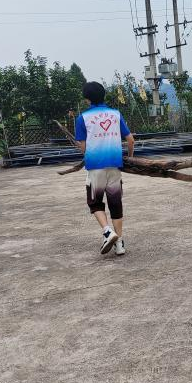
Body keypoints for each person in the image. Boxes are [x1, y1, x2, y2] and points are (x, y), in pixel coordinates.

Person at [75, 81, 135, 255]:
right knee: (115, 204)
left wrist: (88, 153)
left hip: (95, 167)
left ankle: (108, 232)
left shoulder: (82, 118)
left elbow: (83, 146)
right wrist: (130, 158)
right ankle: (120, 244)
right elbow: (130, 140)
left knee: (95, 202)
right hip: (115, 165)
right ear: (103, 95)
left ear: (87, 99)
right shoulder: (115, 114)